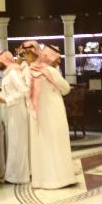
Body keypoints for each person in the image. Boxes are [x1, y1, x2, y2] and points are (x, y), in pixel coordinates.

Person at [28, 45, 77, 189]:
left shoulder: (32, 70)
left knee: (43, 145)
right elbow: (66, 88)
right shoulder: (51, 71)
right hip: (54, 113)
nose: (58, 62)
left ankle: (43, 180)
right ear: (50, 58)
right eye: (57, 59)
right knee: (57, 143)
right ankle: (60, 179)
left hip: (38, 114)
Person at [0, 50, 30, 184]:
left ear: (5, 61)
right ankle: (11, 176)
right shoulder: (7, 74)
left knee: (18, 144)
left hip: (18, 112)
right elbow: (7, 93)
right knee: (13, 144)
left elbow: (24, 91)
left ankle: (20, 177)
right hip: (11, 112)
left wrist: (7, 100)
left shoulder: (14, 73)